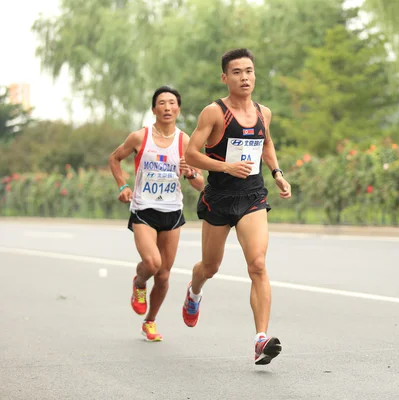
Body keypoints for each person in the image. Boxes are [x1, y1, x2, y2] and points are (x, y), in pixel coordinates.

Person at [182, 48, 292, 365]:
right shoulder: (214, 113)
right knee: (210, 267)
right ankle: (194, 291)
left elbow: (266, 143)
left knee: (257, 264)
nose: (244, 77)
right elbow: (192, 154)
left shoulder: (263, 113)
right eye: (237, 72)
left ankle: (260, 339)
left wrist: (278, 174)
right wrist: (225, 168)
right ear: (225, 78)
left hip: (253, 196)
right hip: (219, 197)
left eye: (249, 71)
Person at [108, 86, 205, 341]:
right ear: (154, 109)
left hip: (172, 212)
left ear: (178, 109)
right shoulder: (140, 137)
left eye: (172, 103)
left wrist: (191, 173)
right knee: (152, 263)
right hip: (143, 209)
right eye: (161, 103)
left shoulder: (185, 141)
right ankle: (139, 283)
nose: (167, 107)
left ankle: (150, 321)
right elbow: (114, 159)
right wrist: (123, 185)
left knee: (163, 275)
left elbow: (200, 182)